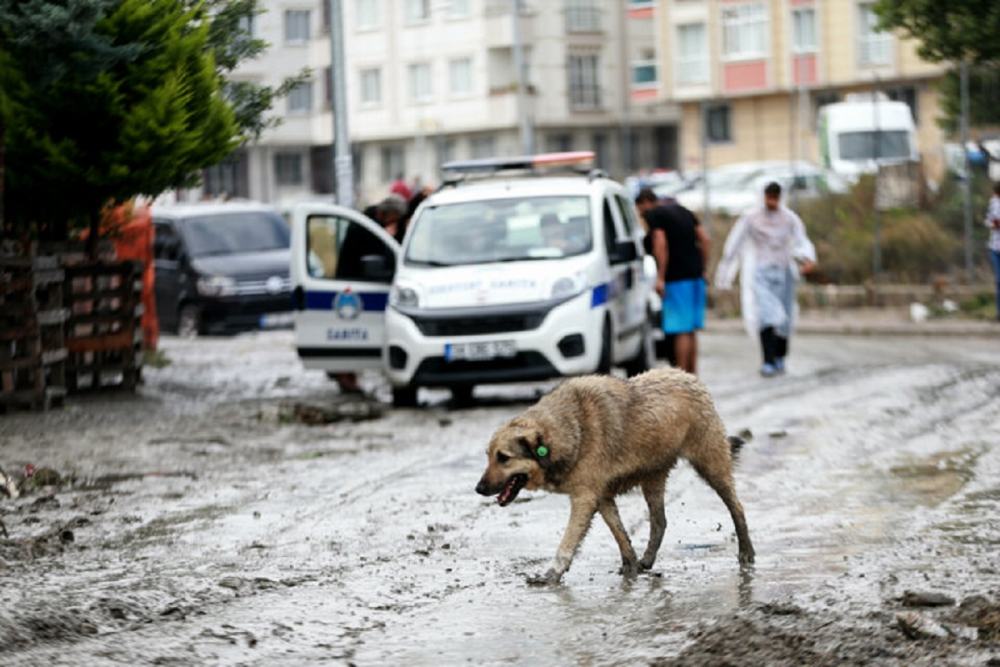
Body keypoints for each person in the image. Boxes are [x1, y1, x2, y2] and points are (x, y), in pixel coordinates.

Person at [714, 181, 817, 377]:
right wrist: (725, 275)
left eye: (775, 197)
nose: (772, 201)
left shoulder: (789, 219)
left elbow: (801, 241)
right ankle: (767, 360)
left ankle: (780, 356)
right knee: (767, 315)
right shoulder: (751, 219)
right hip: (761, 272)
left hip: (784, 270)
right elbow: (734, 246)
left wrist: (808, 258)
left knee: (785, 317)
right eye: (769, 197)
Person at [635, 188, 710, 375]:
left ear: (645, 202)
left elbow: (661, 243)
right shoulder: (683, 210)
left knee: (680, 329)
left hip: (676, 278)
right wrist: (704, 268)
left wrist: (660, 276)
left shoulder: (655, 214)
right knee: (691, 330)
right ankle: (692, 377)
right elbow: (705, 239)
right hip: (695, 276)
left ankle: (681, 378)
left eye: (640, 210)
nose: (642, 216)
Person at [985, 181, 1000, 321]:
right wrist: (992, 224)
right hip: (995, 247)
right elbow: (988, 221)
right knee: (999, 280)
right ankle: (998, 312)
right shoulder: (993, 203)